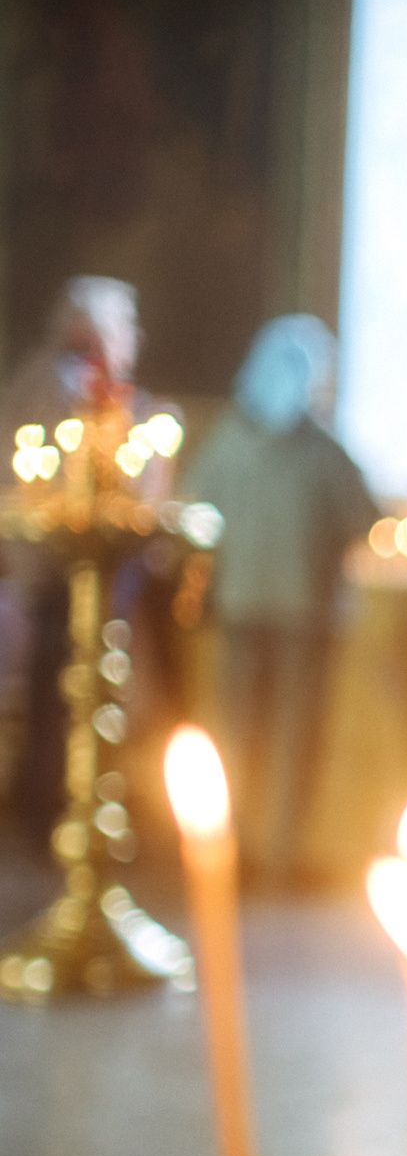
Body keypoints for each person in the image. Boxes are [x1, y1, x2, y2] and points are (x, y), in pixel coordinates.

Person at [178, 315, 379, 884]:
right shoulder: (323, 452)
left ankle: (229, 849)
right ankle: (282, 855)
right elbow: (363, 518)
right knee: (293, 733)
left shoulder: (225, 442)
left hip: (240, 604)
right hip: (303, 611)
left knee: (239, 730)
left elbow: (194, 513)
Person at [0, 278, 148, 846]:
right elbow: (53, 488)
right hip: (59, 566)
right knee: (60, 696)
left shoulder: (84, 388)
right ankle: (54, 815)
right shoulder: (62, 390)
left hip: (75, 564)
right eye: (121, 328)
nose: (131, 339)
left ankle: (69, 811)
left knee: (79, 692)